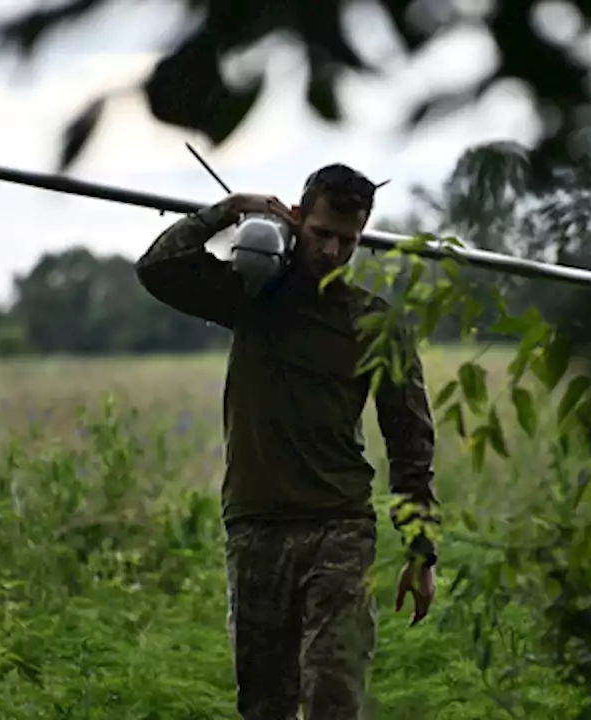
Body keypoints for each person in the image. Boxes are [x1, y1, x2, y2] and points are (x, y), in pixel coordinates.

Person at [134, 164, 441, 720]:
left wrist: (421, 550)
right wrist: (227, 212)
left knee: (333, 696)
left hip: (341, 527)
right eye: (322, 232)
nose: (331, 250)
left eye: (348, 240)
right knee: (265, 703)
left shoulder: (376, 323)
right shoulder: (251, 295)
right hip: (257, 526)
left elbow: (410, 440)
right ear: (296, 219)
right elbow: (157, 269)